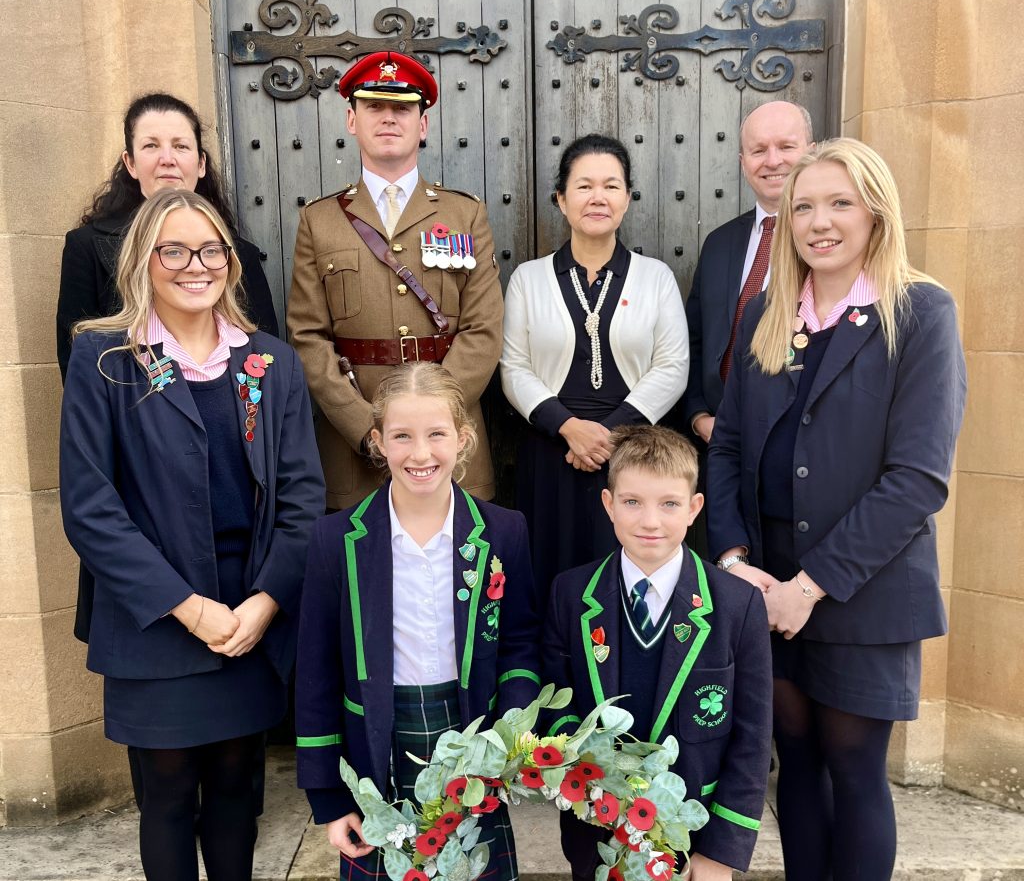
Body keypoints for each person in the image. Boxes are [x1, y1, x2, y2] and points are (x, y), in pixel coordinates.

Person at [707, 138, 967, 881]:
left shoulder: (920, 311)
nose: (820, 222)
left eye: (840, 203)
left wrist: (809, 586)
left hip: (861, 585)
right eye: (805, 206)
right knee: (797, 765)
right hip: (769, 586)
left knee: (853, 768)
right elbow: (725, 447)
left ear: (876, 212)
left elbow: (918, 478)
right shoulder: (766, 312)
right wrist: (735, 564)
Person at [59, 188, 325, 881]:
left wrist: (263, 603)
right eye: (172, 249)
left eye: (210, 249)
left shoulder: (271, 363)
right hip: (157, 623)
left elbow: (302, 499)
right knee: (169, 796)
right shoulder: (104, 360)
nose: (194, 264)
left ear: (230, 263)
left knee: (240, 791)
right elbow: (91, 508)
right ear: (143, 260)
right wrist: (188, 606)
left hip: (248, 618)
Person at [294, 362, 541, 881]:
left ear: (464, 438)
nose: (421, 453)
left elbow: (520, 642)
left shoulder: (504, 532)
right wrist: (327, 798)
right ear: (378, 442)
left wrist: (510, 734)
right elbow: (316, 673)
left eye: (436, 434)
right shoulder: (336, 541)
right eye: (402, 436)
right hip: (377, 749)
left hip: (475, 740)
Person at [544, 425, 772, 881]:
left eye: (669, 504)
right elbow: (558, 708)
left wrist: (722, 854)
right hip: (598, 833)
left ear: (694, 509)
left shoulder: (736, 604)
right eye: (632, 502)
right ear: (608, 505)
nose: (651, 521)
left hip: (695, 838)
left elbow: (752, 739)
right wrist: (587, 783)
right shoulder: (570, 595)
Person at [288, 51, 504, 510]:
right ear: (352, 119)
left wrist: (432, 425)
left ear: (422, 125)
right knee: (361, 575)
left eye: (403, 108)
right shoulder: (319, 221)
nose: (389, 118)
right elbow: (308, 338)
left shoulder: (464, 214)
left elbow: (483, 331)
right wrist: (365, 428)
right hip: (356, 449)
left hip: (450, 448)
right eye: (374, 107)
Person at [500, 134, 688, 603]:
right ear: (562, 200)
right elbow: (514, 367)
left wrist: (606, 435)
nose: (598, 197)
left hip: (631, 454)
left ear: (627, 198)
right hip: (551, 450)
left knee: (626, 576)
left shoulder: (655, 277)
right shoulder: (529, 277)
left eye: (611, 185)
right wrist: (568, 428)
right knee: (549, 575)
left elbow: (672, 366)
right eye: (584, 186)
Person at [57, 92, 278, 383]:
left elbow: (263, 358)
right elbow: (79, 372)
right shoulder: (85, 246)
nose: (167, 159)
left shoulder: (239, 254)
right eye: (151, 145)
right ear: (131, 162)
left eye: (180, 146)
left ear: (200, 163)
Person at [681, 101, 813, 508]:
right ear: (742, 161)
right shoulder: (720, 243)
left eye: (786, 147)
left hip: (797, 458)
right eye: (758, 150)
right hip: (717, 451)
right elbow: (695, 342)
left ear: (812, 150)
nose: (772, 161)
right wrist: (699, 415)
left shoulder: (830, 244)